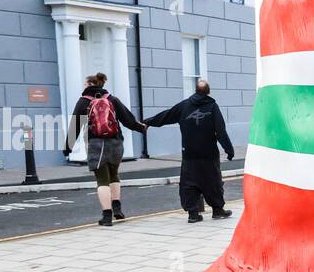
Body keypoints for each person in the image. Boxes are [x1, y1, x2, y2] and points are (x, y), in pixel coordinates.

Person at [143, 78, 235, 223]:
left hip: (189, 154)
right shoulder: (212, 107)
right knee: (212, 182)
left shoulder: (184, 106)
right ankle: (218, 210)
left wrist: (148, 121)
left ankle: (193, 214)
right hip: (208, 154)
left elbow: (167, 115)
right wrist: (229, 150)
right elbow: (221, 131)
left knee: (189, 183)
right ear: (208, 92)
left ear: (195, 91)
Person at [66, 73, 146, 227]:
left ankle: (106, 216)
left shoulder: (83, 101)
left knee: (102, 180)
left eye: (84, 84)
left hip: (96, 144)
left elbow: (74, 126)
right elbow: (127, 119)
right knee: (114, 175)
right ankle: (117, 209)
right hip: (116, 143)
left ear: (89, 84)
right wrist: (141, 127)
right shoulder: (112, 99)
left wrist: (67, 148)